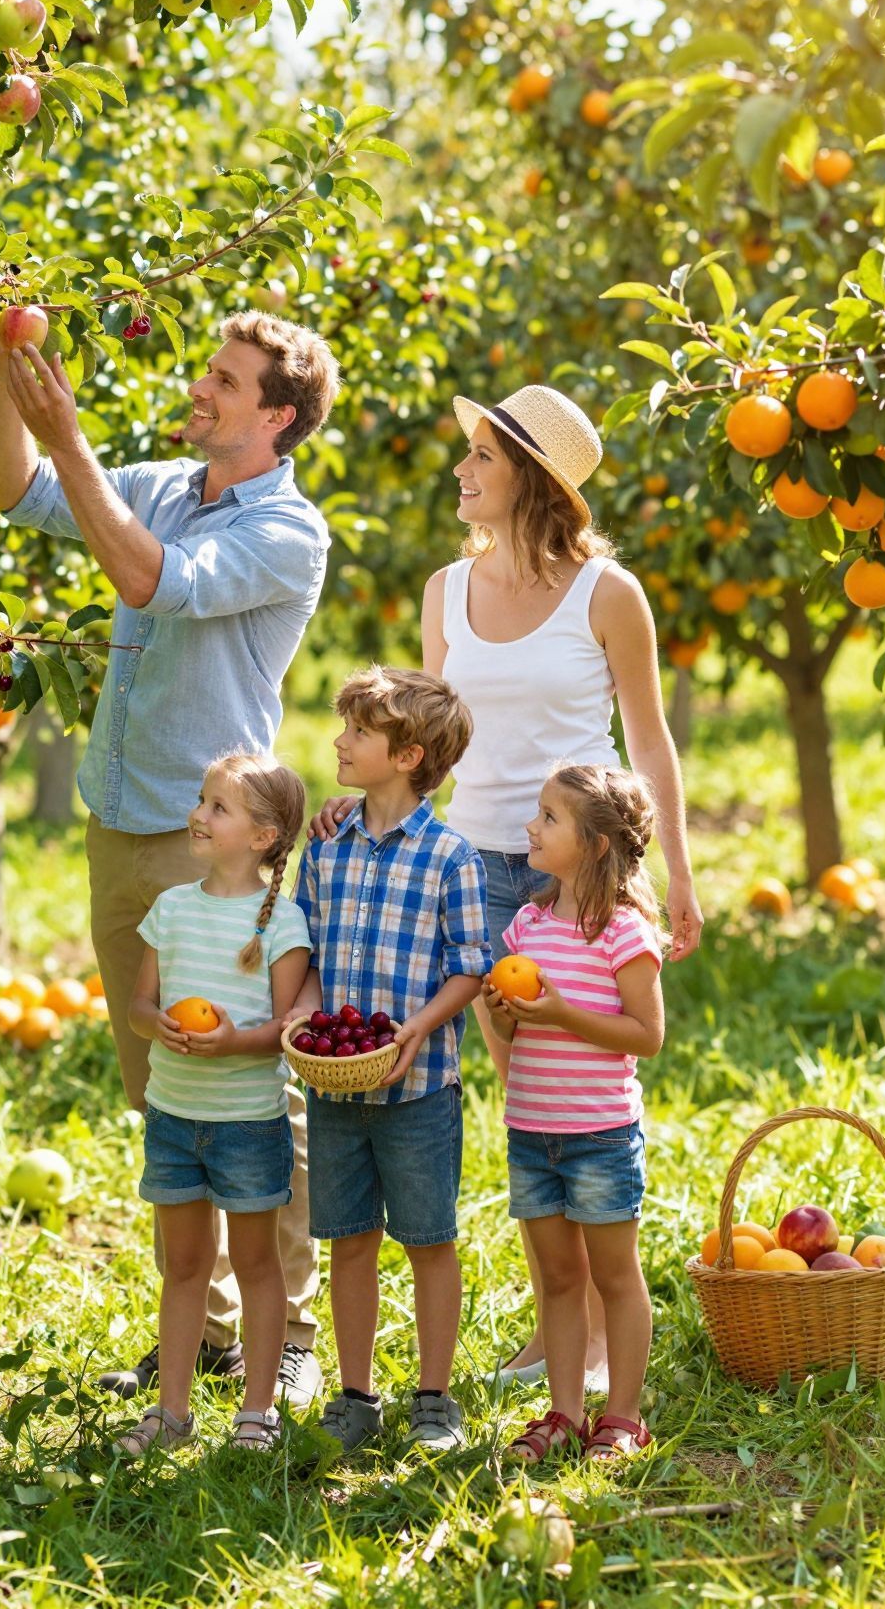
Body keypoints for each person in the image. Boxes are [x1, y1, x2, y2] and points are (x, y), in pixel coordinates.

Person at [0, 309, 340, 1409]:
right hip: (122, 821)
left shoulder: (290, 531)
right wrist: (4, 370)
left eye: (224, 381)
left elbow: (150, 581)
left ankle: (289, 1324)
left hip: (220, 841)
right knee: (167, 1085)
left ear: (276, 415)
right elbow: (19, 489)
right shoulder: (170, 482)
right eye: (205, 372)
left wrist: (73, 435)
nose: (201, 388)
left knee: (248, 1083)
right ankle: (214, 1329)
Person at [313, 382, 703, 1387]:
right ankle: (554, 1325)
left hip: (581, 867)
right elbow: (427, 738)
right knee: (525, 1093)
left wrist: (681, 876)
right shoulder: (448, 588)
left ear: (528, 476)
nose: (461, 469)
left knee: (588, 1092)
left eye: (481, 455)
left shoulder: (608, 594)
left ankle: (606, 1320)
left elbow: (649, 742)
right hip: (478, 865)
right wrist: (360, 814)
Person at [289, 667, 490, 1455]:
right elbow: (304, 944)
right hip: (339, 1089)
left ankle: (434, 1399)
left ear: (407, 755)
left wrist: (415, 1030)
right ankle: (355, 1395)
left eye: (357, 732)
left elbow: (471, 966)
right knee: (350, 1240)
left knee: (429, 1239)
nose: (340, 741)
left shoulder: (450, 857)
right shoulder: (328, 846)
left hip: (421, 1088)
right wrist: (306, 1012)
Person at [121, 753, 313, 1456]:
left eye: (218, 807)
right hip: (174, 1117)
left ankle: (255, 1415)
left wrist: (233, 1042)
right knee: (184, 1268)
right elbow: (141, 1004)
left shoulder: (282, 923)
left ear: (263, 836)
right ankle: (173, 1415)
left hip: (248, 1125)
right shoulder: (170, 909)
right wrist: (156, 1024)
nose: (198, 815)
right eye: (202, 800)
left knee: (258, 1266)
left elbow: (286, 1032)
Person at [482, 764, 664, 1461]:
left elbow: (646, 1036)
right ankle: (562, 1413)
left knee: (614, 1277)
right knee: (558, 1280)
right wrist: (506, 1016)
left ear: (592, 845)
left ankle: (622, 1417)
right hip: (532, 1132)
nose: (532, 826)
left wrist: (561, 1009)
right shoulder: (526, 925)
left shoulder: (624, 932)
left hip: (600, 1136)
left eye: (550, 818)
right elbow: (512, 1037)